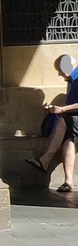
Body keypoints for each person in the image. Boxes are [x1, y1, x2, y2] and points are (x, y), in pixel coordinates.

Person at [26, 55, 78, 193]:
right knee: (69, 140)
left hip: (74, 118)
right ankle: (68, 181)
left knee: (63, 122)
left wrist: (61, 109)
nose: (59, 74)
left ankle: (45, 160)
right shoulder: (72, 81)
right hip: (73, 120)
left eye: (60, 70)